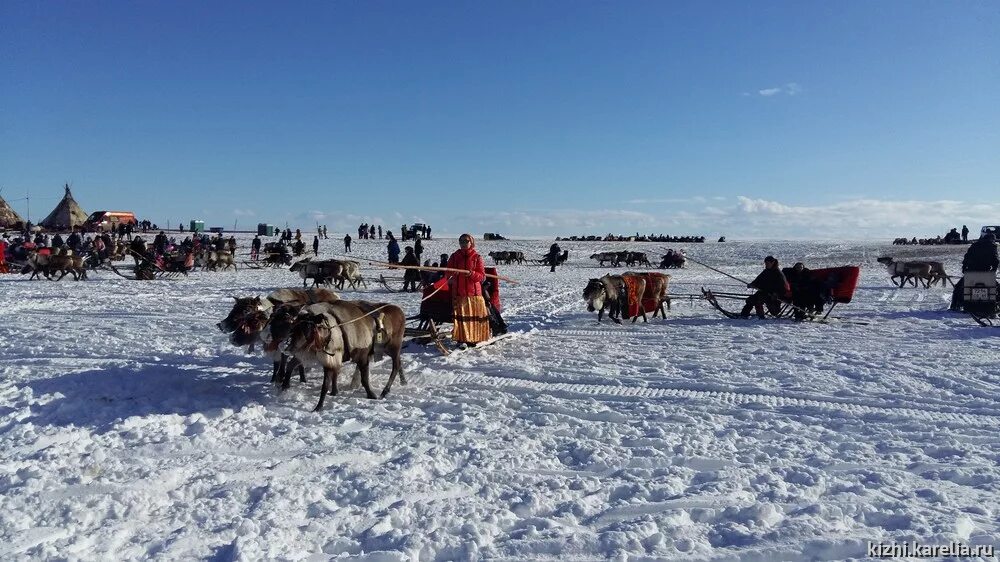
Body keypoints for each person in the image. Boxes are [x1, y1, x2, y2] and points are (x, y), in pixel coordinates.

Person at [444, 234, 490, 346]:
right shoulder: (454, 256)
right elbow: (447, 273)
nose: (463, 243)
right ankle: (462, 338)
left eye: (466, 241)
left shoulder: (477, 257)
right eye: (461, 241)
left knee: (473, 319)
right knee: (462, 319)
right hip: (459, 294)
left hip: (474, 295)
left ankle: (475, 338)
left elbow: (482, 276)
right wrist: (451, 273)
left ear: (471, 242)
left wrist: (472, 274)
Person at [951, 233, 999, 311]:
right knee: (997, 288)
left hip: (971, 271)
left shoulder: (974, 245)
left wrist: (964, 268)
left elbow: (966, 257)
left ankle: (955, 306)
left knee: (958, 288)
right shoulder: (992, 246)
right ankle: (997, 307)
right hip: (985, 272)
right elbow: (996, 260)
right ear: (992, 239)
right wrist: (993, 271)